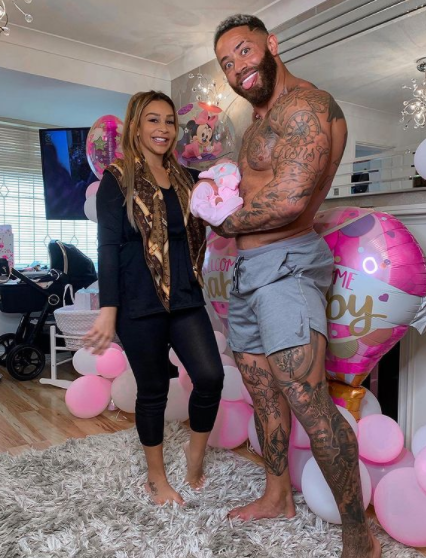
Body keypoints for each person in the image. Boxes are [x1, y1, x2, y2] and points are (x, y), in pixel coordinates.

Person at [201, 14, 380, 558]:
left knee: (307, 399)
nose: (237, 67)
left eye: (244, 50)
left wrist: (219, 220)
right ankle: (277, 495)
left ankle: (358, 536)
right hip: (248, 270)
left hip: (286, 265)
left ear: (272, 44)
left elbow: (290, 199)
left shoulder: (305, 106)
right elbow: (255, 187)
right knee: (263, 393)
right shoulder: (258, 121)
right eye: (226, 63)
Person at [84, 90, 224, 507]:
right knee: (153, 390)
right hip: (138, 302)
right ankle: (156, 478)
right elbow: (108, 248)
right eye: (152, 120)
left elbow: (217, 216)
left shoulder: (188, 179)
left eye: (169, 121)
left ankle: (194, 454)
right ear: (135, 126)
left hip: (185, 296)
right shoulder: (117, 179)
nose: (163, 129)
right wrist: (108, 310)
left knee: (210, 377)